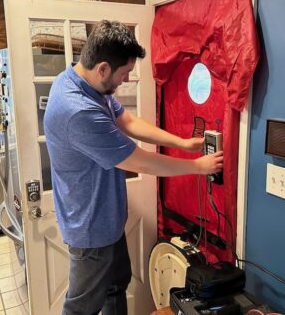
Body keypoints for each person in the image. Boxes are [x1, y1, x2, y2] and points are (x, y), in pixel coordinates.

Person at [44, 20, 223, 315]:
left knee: (116, 287)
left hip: (107, 220)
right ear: (102, 69)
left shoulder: (83, 83)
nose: (124, 81)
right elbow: (139, 161)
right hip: (90, 230)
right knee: (81, 308)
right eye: (124, 73)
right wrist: (198, 166)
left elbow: (127, 121)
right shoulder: (77, 110)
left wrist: (182, 142)